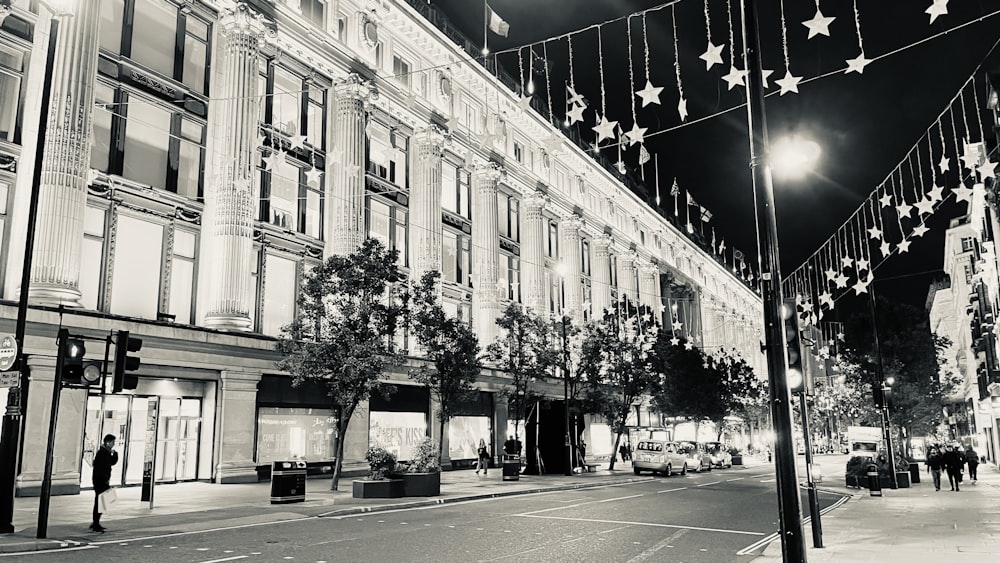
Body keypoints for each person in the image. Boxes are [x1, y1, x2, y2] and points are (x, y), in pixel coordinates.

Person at [91, 434, 118, 533]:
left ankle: (95, 523)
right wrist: (104, 481)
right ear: (108, 442)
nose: (113, 444)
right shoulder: (102, 453)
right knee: (100, 502)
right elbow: (101, 468)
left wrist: (115, 454)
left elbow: (112, 462)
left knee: (100, 502)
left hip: (101, 481)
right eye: (112, 442)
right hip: (100, 481)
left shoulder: (105, 452)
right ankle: (95, 523)